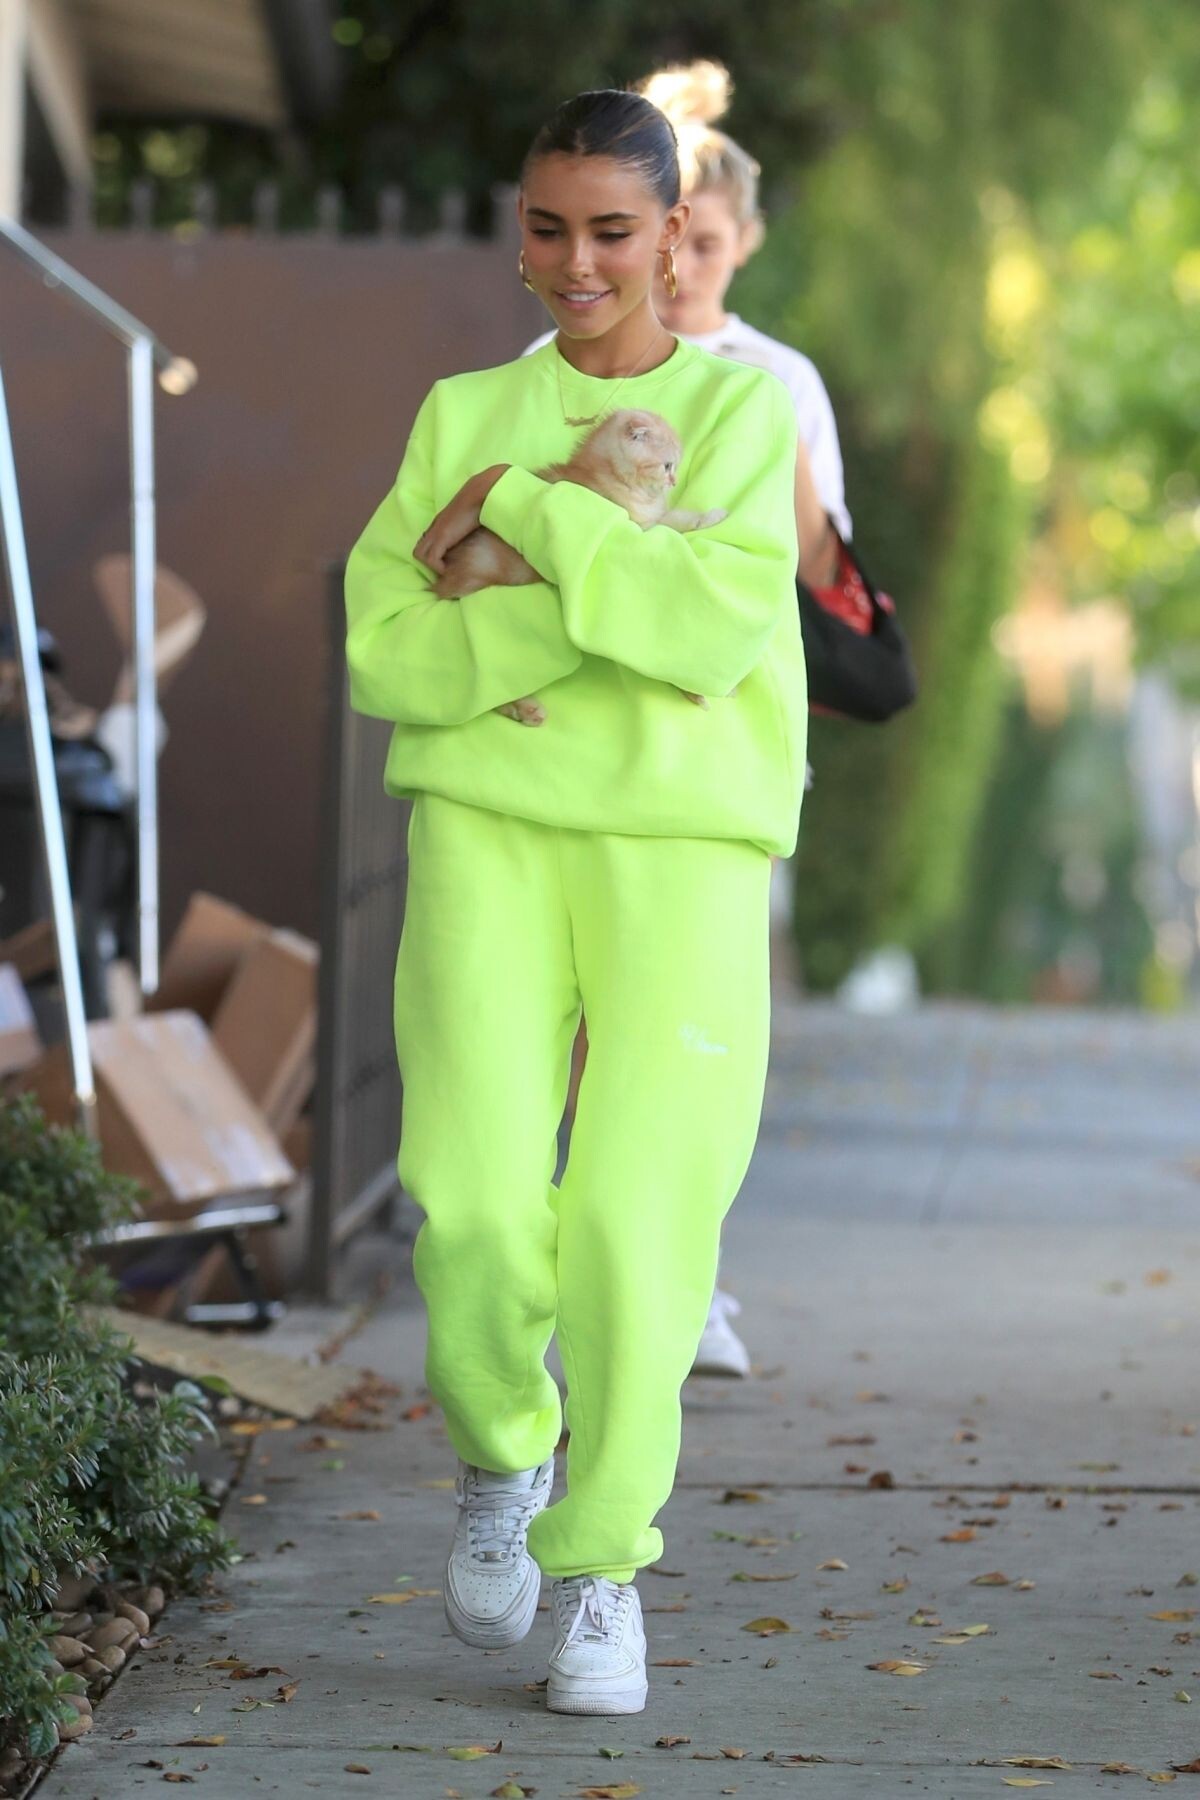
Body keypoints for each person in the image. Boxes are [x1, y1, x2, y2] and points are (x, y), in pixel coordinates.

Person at [343, 87, 805, 1717]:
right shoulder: (462, 409)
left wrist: (531, 516)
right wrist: (603, 587)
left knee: (634, 1218)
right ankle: (503, 1458)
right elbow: (386, 651)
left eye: (615, 229)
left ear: (679, 235)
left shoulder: (743, 414)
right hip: (488, 829)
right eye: (550, 228)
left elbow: (711, 634)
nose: (580, 261)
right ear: (522, 235)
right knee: (470, 1197)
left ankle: (604, 1566)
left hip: (683, 853)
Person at [524, 61, 853, 1380]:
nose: (682, 267)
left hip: (716, 753)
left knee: (690, 1029)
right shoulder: (560, 367)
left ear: (735, 241)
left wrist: (766, 471)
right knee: (584, 1024)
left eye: (706, 244)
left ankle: (683, 1275)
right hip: (585, 743)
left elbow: (819, 571)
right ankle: (582, 1268)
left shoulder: (776, 383)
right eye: (672, 241)